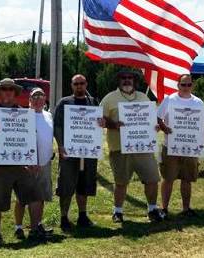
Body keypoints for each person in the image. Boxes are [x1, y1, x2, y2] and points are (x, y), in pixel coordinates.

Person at [0, 78, 44, 246]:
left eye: (10, 89)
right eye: (4, 89)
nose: (7, 91)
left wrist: (33, 160)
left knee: (35, 195)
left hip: (21, 164)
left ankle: (35, 230)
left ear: (15, 92)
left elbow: (30, 138)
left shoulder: (23, 113)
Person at [100, 70, 164, 224]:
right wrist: (113, 124)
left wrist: (155, 126)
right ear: (118, 80)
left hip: (143, 147)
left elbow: (151, 117)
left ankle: (152, 209)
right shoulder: (109, 98)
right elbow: (99, 118)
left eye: (130, 78)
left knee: (152, 179)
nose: (127, 81)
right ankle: (118, 212)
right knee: (121, 182)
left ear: (135, 81)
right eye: (123, 78)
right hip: (119, 148)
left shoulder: (143, 96)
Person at [53, 74, 105, 232]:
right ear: (72, 85)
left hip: (88, 152)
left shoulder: (93, 102)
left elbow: (98, 123)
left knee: (85, 184)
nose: (79, 86)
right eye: (76, 83)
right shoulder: (64, 103)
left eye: (82, 83)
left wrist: (101, 122)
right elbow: (57, 126)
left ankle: (82, 215)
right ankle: (64, 217)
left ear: (86, 84)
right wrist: (61, 146)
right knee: (66, 185)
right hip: (69, 152)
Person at [157, 74, 204, 218]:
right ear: (178, 85)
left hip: (191, 148)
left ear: (192, 85)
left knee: (187, 179)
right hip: (171, 146)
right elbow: (158, 117)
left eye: (188, 85)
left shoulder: (198, 102)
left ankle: (186, 209)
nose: (186, 87)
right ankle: (164, 208)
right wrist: (164, 128)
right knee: (168, 178)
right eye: (183, 85)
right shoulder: (169, 100)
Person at [14, 87, 54, 240]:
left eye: (41, 96)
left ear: (45, 99)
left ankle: (36, 225)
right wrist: (29, 161)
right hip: (27, 164)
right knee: (23, 198)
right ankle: (18, 227)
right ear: (29, 100)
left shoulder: (49, 115)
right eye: (34, 97)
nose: (38, 100)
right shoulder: (23, 116)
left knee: (40, 196)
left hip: (44, 163)